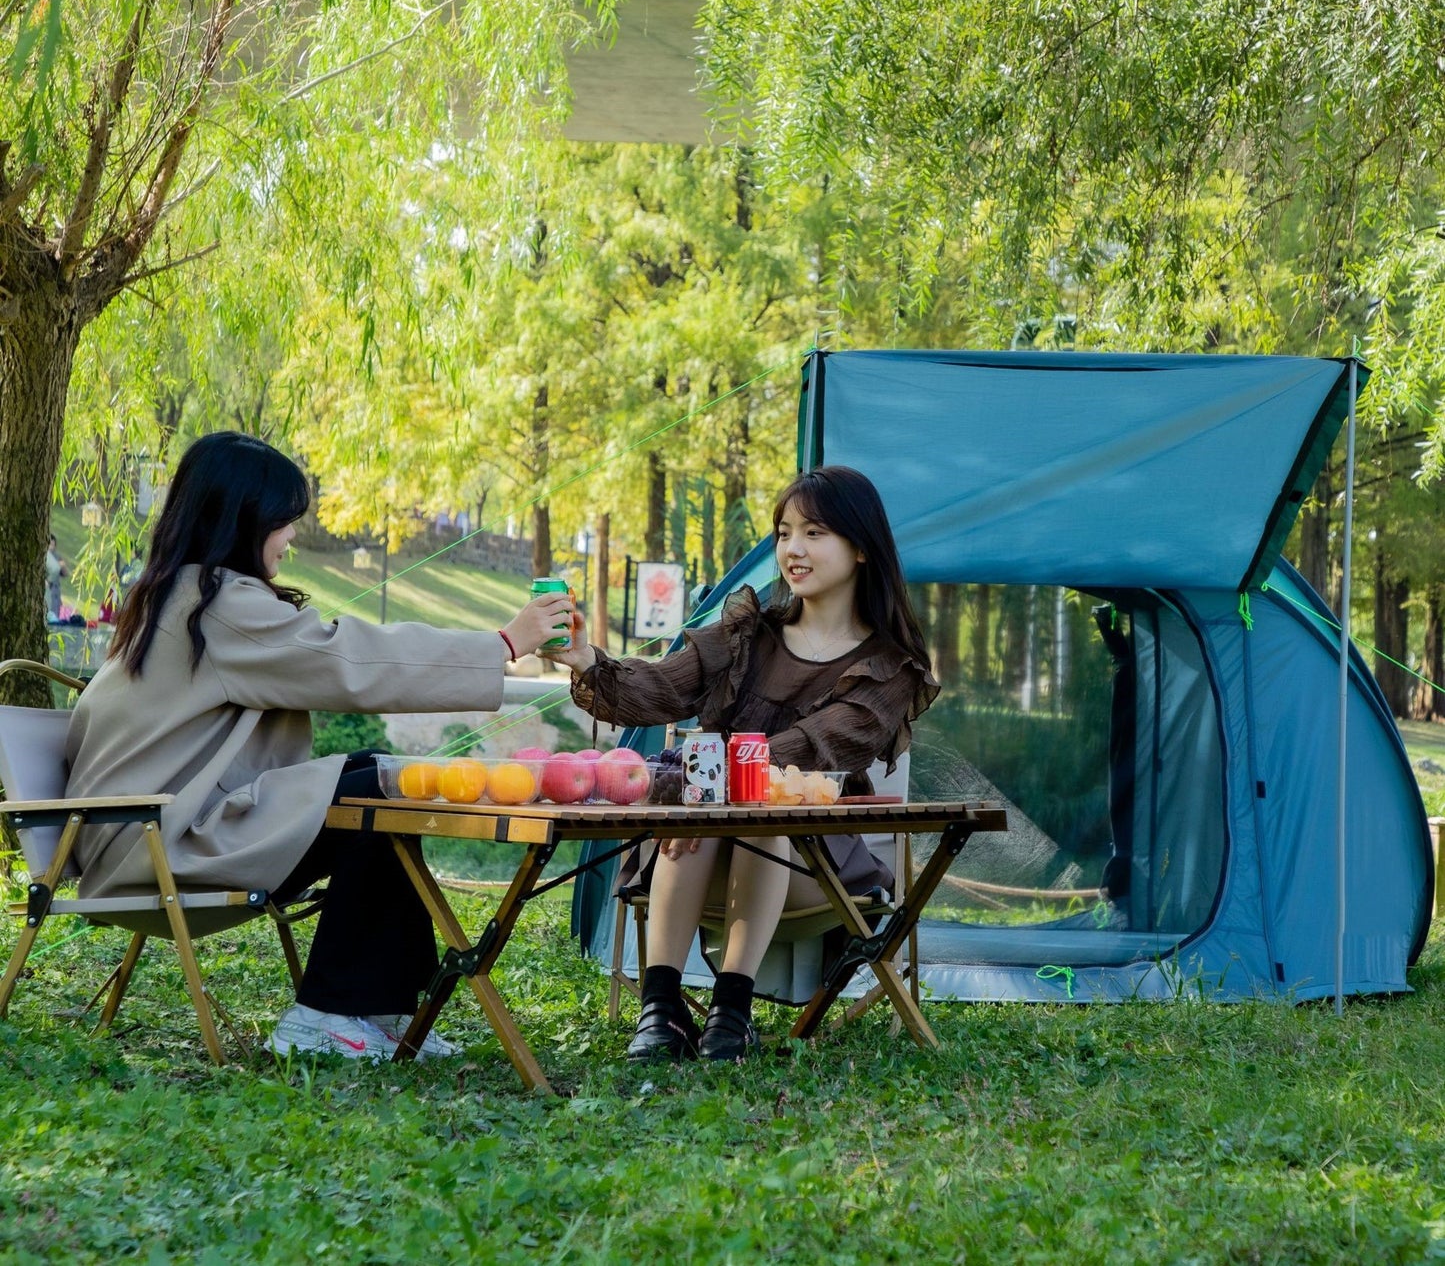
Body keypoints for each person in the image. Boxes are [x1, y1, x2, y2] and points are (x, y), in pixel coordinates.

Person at [64, 432, 573, 1062]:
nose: (290, 539)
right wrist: (501, 642)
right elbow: (346, 659)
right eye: (283, 523)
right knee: (375, 788)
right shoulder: (219, 605)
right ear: (243, 519)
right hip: (157, 849)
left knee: (377, 779)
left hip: (141, 835)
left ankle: (375, 1007)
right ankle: (328, 1011)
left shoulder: (177, 593)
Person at [550, 465, 938, 1063]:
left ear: (861, 547)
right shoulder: (744, 635)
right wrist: (585, 658)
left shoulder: (886, 668)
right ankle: (661, 1010)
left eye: (814, 533)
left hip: (812, 857)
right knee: (702, 815)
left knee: (760, 814)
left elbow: (812, 747)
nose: (792, 549)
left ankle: (730, 1012)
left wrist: (713, 786)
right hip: (700, 842)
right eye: (784, 533)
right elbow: (656, 688)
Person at [44, 534, 67, 622]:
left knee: (55, 613)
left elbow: (64, 573)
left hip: (56, 591)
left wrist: (63, 566)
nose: (51, 547)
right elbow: (54, 569)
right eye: (50, 545)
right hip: (48, 589)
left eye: (53, 545)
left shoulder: (57, 556)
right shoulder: (45, 556)